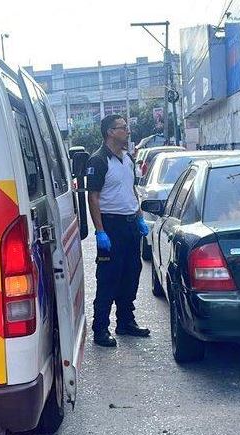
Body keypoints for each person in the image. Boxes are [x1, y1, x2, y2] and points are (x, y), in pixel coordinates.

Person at [85, 114, 150, 347]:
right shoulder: (99, 160)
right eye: (123, 128)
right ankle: (100, 329)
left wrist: (140, 217)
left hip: (131, 224)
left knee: (131, 273)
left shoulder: (128, 158)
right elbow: (93, 198)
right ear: (110, 132)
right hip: (111, 226)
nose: (127, 131)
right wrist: (100, 231)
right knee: (108, 278)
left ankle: (125, 322)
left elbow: (131, 189)